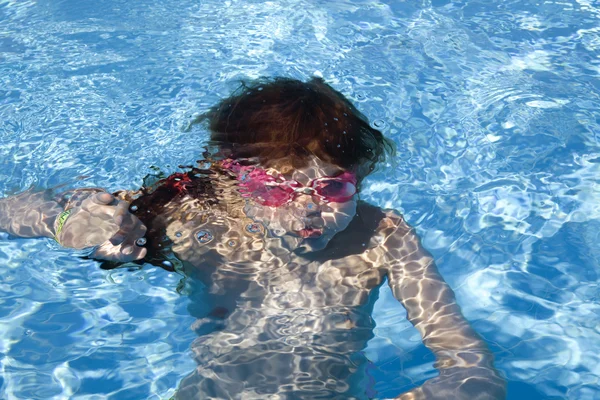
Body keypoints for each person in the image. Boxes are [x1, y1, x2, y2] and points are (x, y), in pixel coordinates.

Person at [0, 77, 506, 399]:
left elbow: (469, 361)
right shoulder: (186, 215)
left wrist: (459, 385)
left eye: (331, 186)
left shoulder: (383, 236)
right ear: (228, 178)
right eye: (271, 188)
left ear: (360, 178)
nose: (306, 206)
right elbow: (15, 212)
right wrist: (70, 221)